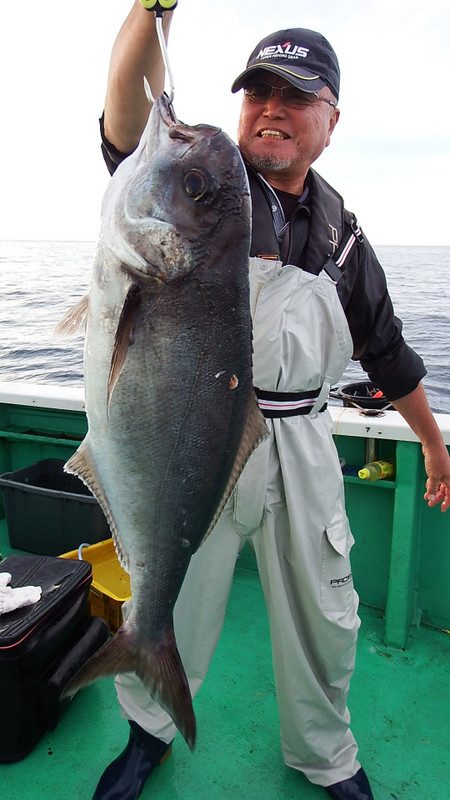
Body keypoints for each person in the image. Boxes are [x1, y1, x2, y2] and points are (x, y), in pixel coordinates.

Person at [93, 4, 450, 800]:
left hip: (303, 442)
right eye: (257, 93)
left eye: (295, 95)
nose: (271, 110)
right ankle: (146, 734)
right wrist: (152, 14)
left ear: (332, 119)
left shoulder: (343, 237)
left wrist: (430, 440)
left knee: (326, 618)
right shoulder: (206, 192)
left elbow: (388, 353)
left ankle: (325, 755)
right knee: (171, 596)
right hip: (204, 433)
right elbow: (123, 126)